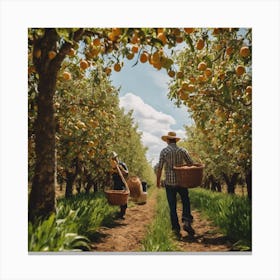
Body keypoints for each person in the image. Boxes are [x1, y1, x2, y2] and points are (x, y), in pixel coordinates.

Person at [156, 131, 195, 239]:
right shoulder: (182, 150)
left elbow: (159, 167)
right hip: (182, 182)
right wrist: (181, 167)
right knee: (185, 201)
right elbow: (191, 164)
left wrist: (158, 181)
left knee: (172, 206)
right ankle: (187, 221)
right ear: (175, 140)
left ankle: (176, 229)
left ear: (167, 140)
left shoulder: (164, 151)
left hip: (169, 182)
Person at [110, 152, 129, 219]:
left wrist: (120, 169)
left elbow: (126, 173)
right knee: (118, 199)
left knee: (123, 198)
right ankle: (120, 213)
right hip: (116, 183)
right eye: (113, 159)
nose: (114, 159)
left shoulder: (122, 164)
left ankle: (122, 213)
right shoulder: (112, 166)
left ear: (117, 157)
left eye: (115, 158)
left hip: (122, 183)